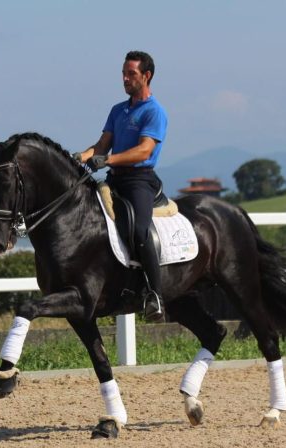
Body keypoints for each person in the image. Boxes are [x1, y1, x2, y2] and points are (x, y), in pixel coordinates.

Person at [74, 50, 168, 322]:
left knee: (139, 230)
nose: (125, 78)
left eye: (131, 74)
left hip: (139, 180)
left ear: (146, 76)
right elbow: (101, 145)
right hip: (114, 177)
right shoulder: (118, 110)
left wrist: (108, 159)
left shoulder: (154, 112)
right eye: (124, 73)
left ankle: (155, 295)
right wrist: (79, 157)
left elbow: (143, 151)